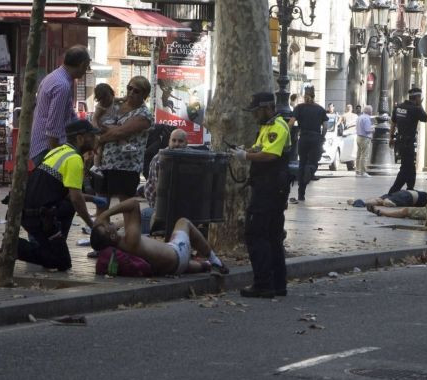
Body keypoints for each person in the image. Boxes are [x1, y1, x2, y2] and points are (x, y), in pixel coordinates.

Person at [230, 92, 291, 298]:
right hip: (270, 187)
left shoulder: (278, 126)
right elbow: (261, 148)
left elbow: (271, 154)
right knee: (272, 236)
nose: (254, 116)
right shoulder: (267, 127)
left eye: (256, 111)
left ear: (267, 108)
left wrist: (245, 156)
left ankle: (264, 283)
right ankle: (277, 284)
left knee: (256, 233)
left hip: (270, 189)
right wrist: (246, 149)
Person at [16, 120, 99, 271]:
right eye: (91, 136)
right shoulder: (74, 159)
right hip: (40, 217)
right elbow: (75, 198)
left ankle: (49, 244)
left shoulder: (58, 151)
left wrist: (93, 199)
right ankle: (16, 247)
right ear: (80, 139)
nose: (95, 139)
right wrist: (91, 224)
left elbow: (65, 191)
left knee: (56, 257)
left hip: (27, 213)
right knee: (61, 262)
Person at [90, 198, 227, 276]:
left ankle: (205, 265)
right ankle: (215, 261)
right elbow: (133, 204)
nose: (109, 222)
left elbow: (128, 211)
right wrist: (104, 214)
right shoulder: (130, 240)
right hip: (177, 254)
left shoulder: (121, 246)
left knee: (193, 265)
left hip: (172, 268)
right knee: (184, 222)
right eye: (107, 225)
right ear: (112, 235)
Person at [29, 45, 91, 167]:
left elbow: (69, 115)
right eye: (87, 66)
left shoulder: (55, 77)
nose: (87, 69)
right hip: (47, 149)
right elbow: (53, 127)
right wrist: (57, 159)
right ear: (82, 64)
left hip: (42, 146)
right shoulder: (62, 86)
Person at [98, 76, 153, 208]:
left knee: (127, 208)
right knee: (101, 203)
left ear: (144, 95)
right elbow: (98, 120)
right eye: (129, 88)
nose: (131, 93)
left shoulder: (144, 114)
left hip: (126, 167)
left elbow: (120, 132)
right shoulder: (116, 104)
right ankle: (101, 227)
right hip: (105, 164)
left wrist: (100, 139)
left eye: (136, 91)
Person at [142, 129, 188, 233]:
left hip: (181, 204)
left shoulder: (191, 158)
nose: (176, 144)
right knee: (146, 215)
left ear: (186, 143)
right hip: (158, 204)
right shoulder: (159, 159)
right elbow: (160, 193)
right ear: (169, 142)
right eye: (174, 140)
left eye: (180, 141)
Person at [288, 86, 328, 201]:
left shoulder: (299, 108)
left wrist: (287, 134)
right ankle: (310, 170)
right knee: (313, 162)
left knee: (302, 165)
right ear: (314, 96)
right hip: (316, 138)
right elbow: (325, 126)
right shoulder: (320, 109)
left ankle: (301, 194)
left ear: (304, 95)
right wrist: (322, 136)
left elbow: (291, 122)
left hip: (304, 138)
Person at [388, 87, 427, 194]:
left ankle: (410, 188)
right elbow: (425, 118)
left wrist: (391, 137)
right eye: (420, 98)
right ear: (418, 97)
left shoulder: (398, 107)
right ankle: (393, 191)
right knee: (405, 168)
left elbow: (393, 123)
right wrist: (420, 105)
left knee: (410, 166)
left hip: (399, 141)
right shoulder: (416, 109)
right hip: (408, 142)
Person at [355, 105, 374, 177]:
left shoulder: (360, 117)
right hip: (365, 138)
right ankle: (363, 172)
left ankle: (357, 171)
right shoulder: (366, 118)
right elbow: (367, 130)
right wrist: (373, 129)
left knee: (359, 155)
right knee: (364, 155)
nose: (372, 112)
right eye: (371, 111)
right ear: (369, 111)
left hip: (359, 137)